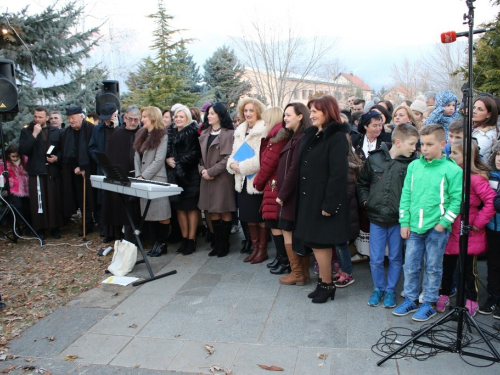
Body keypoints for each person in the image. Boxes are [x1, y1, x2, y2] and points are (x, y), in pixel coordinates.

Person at [393, 124, 462, 322]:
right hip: (414, 226)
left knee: (433, 266)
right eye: (422, 144)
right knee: (411, 265)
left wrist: (443, 223)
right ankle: (411, 299)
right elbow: (406, 194)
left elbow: (456, 200)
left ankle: (429, 302)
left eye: (430, 144)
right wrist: (404, 221)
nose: (424, 148)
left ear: (443, 144)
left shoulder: (452, 170)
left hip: (436, 228)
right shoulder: (414, 166)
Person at [294, 95, 351, 304]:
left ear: (328, 111)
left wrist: (330, 203)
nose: (312, 114)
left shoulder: (335, 136)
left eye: (316, 110)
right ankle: (323, 283)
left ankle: (327, 285)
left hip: (324, 199)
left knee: (322, 243)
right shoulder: (312, 133)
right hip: (310, 198)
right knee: (315, 243)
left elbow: (338, 174)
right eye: (311, 110)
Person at [357, 124, 419, 308]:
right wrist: (366, 201)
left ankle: (390, 290)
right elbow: (362, 183)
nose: (414, 148)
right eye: (412, 144)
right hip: (376, 218)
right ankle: (378, 288)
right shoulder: (374, 159)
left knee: (395, 258)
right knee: (375, 258)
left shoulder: (411, 164)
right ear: (398, 142)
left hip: (397, 220)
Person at [438, 140, 496, 316]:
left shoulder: (475, 178)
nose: (450, 156)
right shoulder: (449, 173)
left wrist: (478, 223)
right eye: (450, 152)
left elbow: (491, 202)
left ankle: (472, 298)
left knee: (469, 270)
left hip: (468, 230)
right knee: (446, 267)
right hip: (449, 227)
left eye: (454, 153)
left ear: (466, 156)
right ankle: (444, 294)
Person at [275, 103, 312, 284]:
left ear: (300, 116)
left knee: (288, 229)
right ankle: (301, 273)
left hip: (293, 195)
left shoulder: (302, 138)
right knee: (292, 231)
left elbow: (294, 169)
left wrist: (283, 194)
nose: (285, 118)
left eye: (288, 115)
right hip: (292, 194)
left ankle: (298, 274)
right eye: (284, 115)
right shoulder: (296, 137)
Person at [227, 97, 267, 263]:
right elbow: (233, 154)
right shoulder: (240, 130)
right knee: (248, 217)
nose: (248, 113)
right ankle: (255, 247)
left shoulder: (263, 129)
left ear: (258, 111)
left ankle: (262, 250)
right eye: (246, 110)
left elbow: (260, 158)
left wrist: (241, 167)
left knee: (259, 217)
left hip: (256, 180)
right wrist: (232, 165)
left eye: (252, 110)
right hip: (242, 181)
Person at [253, 106, 291, 273]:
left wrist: (257, 183)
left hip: (274, 185)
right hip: (272, 185)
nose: (264, 123)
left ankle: (285, 260)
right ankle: (281, 258)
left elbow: (268, 165)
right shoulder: (275, 137)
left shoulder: (277, 138)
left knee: (276, 223)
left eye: (266, 120)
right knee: (273, 223)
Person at [19, 106, 63, 240]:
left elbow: (62, 149)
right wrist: (34, 135)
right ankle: (41, 228)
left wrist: (57, 158)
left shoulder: (55, 131)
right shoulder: (27, 131)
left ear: (47, 118)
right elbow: (24, 150)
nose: (37, 119)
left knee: (53, 199)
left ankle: (55, 227)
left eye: (40, 117)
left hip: (51, 170)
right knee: (39, 201)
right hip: (36, 170)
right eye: (35, 116)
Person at [198, 103, 236, 258]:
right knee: (212, 210)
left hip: (221, 178)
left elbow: (229, 157)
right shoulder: (204, 133)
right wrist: (202, 171)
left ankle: (225, 244)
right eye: (208, 113)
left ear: (220, 115)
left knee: (224, 210)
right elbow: (199, 157)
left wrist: (212, 171)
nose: (209, 116)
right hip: (206, 177)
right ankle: (217, 243)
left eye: (212, 113)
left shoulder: (228, 133)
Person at [100, 105, 142, 245]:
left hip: (137, 178)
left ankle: (137, 236)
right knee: (118, 206)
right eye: (131, 119)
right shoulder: (117, 134)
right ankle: (119, 234)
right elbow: (111, 156)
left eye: (136, 120)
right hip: (120, 177)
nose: (133, 122)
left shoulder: (142, 133)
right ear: (124, 118)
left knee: (136, 208)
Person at [134, 106, 171, 256]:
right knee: (150, 214)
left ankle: (162, 244)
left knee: (162, 214)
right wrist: (138, 175)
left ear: (153, 118)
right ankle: (156, 242)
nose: (141, 120)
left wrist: (144, 176)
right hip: (142, 179)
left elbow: (159, 159)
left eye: (144, 117)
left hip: (157, 179)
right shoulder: (141, 134)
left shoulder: (162, 135)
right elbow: (136, 156)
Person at [166, 105, 202, 255]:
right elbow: (167, 150)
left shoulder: (193, 131)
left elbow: (196, 153)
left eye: (182, 116)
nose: (178, 119)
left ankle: (192, 240)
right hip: (175, 175)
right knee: (180, 209)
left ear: (187, 117)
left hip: (189, 175)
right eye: (177, 117)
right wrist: (168, 159)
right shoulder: (170, 132)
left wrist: (180, 162)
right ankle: (184, 238)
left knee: (191, 209)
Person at [60, 106, 96, 236]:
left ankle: (96, 222)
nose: (71, 121)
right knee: (81, 199)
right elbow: (66, 152)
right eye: (69, 118)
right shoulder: (67, 133)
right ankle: (86, 224)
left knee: (93, 197)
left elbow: (93, 149)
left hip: (90, 169)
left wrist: (84, 167)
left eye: (73, 118)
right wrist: (75, 168)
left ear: (81, 116)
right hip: (73, 171)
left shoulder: (91, 129)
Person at [88, 102, 120, 241]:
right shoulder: (98, 129)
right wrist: (100, 159)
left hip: (118, 168)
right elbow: (92, 147)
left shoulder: (122, 127)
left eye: (109, 117)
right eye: (105, 118)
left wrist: (117, 127)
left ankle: (119, 232)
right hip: (103, 168)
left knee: (118, 199)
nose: (107, 120)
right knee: (104, 200)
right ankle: (107, 232)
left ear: (115, 114)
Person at [480, 142, 500, 317]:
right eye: (498, 154)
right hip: (492, 227)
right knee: (493, 264)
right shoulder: (490, 175)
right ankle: (492, 296)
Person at [0, 144, 30, 232]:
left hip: (26, 187)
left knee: (27, 208)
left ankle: (28, 227)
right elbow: (1, 175)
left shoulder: (25, 159)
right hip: (13, 189)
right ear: (9, 155)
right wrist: (7, 181)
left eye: (17, 156)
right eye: (13, 156)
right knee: (17, 206)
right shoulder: (4, 163)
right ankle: (15, 226)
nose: (15, 158)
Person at [472, 95, 498, 161]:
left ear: (488, 114)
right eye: (474, 107)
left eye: (480, 109)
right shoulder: (473, 127)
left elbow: (471, 155)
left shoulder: (486, 136)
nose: (474, 111)